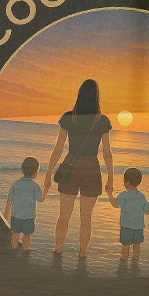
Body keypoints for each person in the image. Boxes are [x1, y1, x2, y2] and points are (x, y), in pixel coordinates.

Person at [43, 79, 116, 259]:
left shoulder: (69, 117)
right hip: (92, 169)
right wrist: (111, 178)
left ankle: (58, 250)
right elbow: (107, 152)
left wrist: (48, 173)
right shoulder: (102, 120)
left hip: (71, 166)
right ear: (97, 96)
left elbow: (58, 148)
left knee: (64, 216)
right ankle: (82, 254)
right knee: (86, 218)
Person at [112, 168, 149, 265]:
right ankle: (136, 261)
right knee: (137, 245)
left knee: (125, 245)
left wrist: (109, 194)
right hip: (139, 227)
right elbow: (148, 211)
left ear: (127, 182)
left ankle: (124, 260)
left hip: (126, 226)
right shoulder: (141, 196)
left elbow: (116, 205)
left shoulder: (124, 195)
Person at [6, 156, 43, 251]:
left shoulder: (16, 184)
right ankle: (25, 249)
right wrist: (46, 189)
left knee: (15, 233)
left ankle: (13, 248)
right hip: (29, 216)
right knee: (27, 234)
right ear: (35, 172)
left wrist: (6, 214)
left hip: (16, 215)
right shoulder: (35, 186)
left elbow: (10, 199)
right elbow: (40, 199)